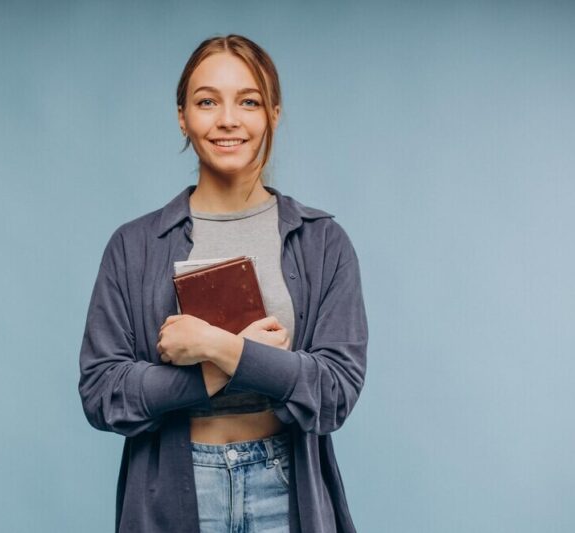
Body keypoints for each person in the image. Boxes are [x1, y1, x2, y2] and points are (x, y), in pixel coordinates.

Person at [78, 34, 368, 533]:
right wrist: (215, 375)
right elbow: (103, 392)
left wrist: (216, 347)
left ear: (274, 113)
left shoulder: (323, 242)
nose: (228, 119)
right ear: (182, 117)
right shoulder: (134, 245)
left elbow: (335, 391)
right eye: (207, 101)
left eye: (248, 101)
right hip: (174, 488)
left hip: (285, 484)